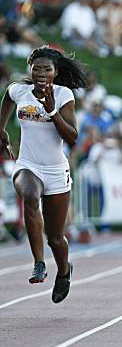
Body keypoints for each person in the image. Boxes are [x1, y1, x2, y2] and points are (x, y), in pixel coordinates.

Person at [0, 45, 87, 303]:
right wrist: (2, 129)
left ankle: (63, 270)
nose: (40, 73)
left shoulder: (63, 95)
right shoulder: (20, 90)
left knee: (56, 238)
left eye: (46, 69)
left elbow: (72, 137)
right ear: (30, 69)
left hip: (56, 170)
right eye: (36, 68)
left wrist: (51, 110)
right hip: (27, 164)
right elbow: (7, 96)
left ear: (55, 72)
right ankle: (39, 263)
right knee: (29, 195)